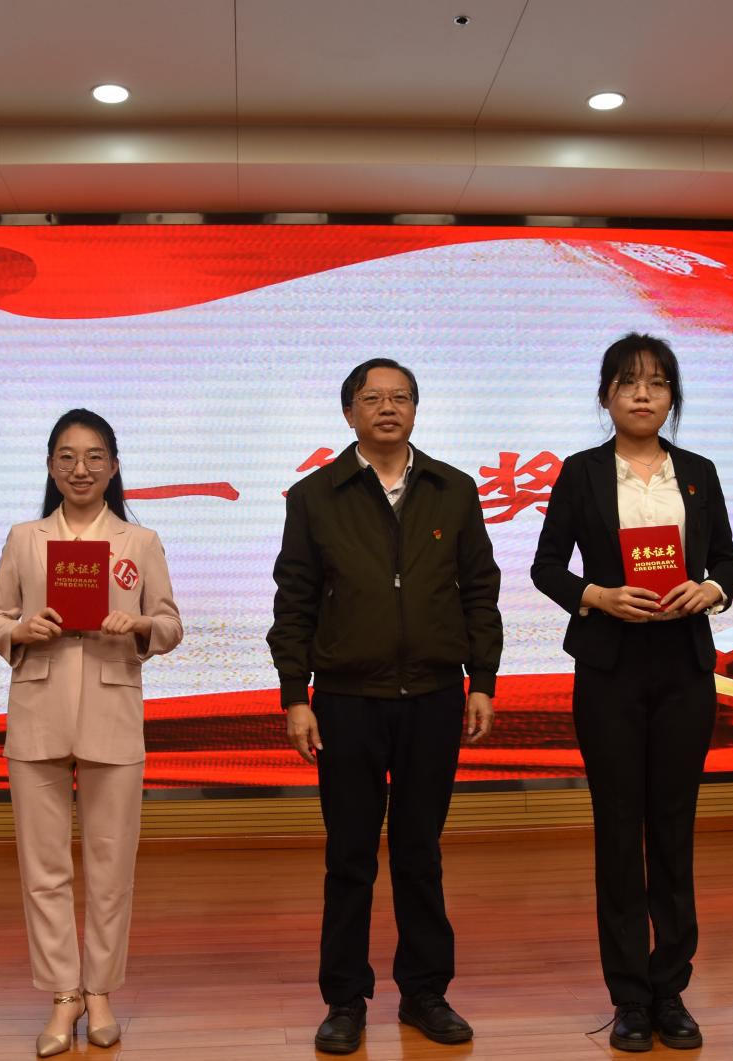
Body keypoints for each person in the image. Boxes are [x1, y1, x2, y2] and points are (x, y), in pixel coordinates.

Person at [268, 358, 503, 1054]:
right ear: (349, 413)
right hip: (347, 701)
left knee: (419, 852)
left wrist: (482, 680)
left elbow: (479, 590)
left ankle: (425, 992)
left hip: (433, 696)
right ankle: (344, 999)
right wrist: (294, 695)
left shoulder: (453, 490)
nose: (388, 408)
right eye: (372, 398)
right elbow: (294, 602)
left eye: (400, 397)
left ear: (416, 410)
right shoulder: (315, 496)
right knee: (349, 856)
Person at [530, 334, 733, 1053]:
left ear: (672, 396)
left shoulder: (698, 473)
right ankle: (628, 996)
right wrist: (597, 596)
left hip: (683, 667)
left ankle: (670, 989)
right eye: (627, 382)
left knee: (673, 829)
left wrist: (711, 589)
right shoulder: (582, 473)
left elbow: (728, 561)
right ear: (606, 397)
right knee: (619, 831)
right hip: (610, 669)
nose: (643, 394)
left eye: (656, 382)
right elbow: (546, 567)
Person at [0, 408, 183, 1058]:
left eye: (94, 457)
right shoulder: (24, 538)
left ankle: (99, 991)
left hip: (112, 711)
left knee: (110, 865)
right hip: (37, 711)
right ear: (49, 466)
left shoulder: (139, 541)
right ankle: (62, 994)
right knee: (43, 868)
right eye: (67, 457)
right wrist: (19, 630)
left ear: (114, 466)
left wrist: (140, 626)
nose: (80, 469)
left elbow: (171, 623)